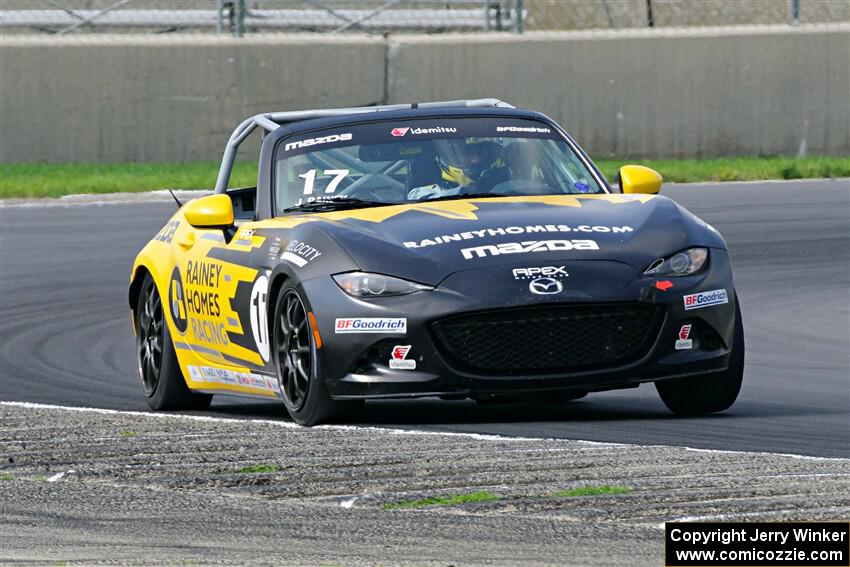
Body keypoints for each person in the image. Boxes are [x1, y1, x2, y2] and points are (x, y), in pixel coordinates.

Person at [407, 137, 510, 200]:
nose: (476, 160)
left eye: (481, 153)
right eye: (467, 154)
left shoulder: (517, 182)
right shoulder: (421, 193)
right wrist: (474, 189)